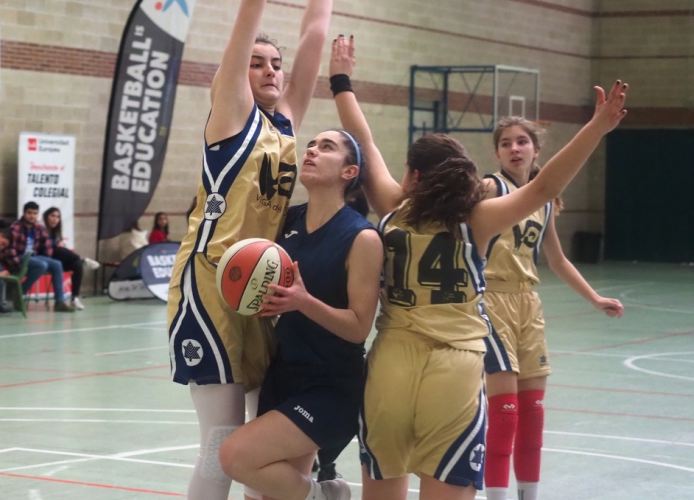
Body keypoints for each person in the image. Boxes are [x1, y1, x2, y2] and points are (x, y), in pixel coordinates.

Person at [330, 37, 628, 500]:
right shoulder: (478, 219)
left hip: (392, 360)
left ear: (413, 175)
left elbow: (363, 140)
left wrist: (341, 81)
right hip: (455, 364)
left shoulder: (392, 207)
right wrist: (596, 128)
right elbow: (545, 186)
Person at [166, 1, 333, 498]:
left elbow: (314, 36)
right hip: (209, 283)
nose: (269, 71)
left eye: (275, 65)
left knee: (263, 447)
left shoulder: (284, 124)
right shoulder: (231, 111)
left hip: (261, 288)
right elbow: (245, 25)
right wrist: (250, 31)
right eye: (256, 63)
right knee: (221, 443)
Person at [219, 120, 384, 500]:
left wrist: (303, 302)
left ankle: (325, 496)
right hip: (284, 371)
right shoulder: (288, 221)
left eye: (326, 147)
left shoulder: (362, 237)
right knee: (261, 493)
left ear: (349, 171)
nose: (312, 150)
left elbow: (359, 328)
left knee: (235, 457)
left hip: (330, 384)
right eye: (311, 144)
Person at [482, 117, 624, 500]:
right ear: (496, 153)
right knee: (506, 413)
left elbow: (558, 259)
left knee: (533, 414)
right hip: (491, 301)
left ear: (535, 149)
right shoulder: (489, 187)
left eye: (522, 141)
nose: (515, 148)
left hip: (528, 304)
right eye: (507, 143)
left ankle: (529, 495)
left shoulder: (543, 201)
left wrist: (595, 298)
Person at [1, 201, 75, 312]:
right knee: (41, 265)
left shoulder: (38, 228)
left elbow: (47, 246)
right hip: (19, 258)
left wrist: (47, 258)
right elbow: (10, 249)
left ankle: (59, 301)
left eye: (35, 213)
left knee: (57, 264)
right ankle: (20, 291)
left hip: (33, 258)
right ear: (24, 213)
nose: (32, 216)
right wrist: (17, 265)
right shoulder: (16, 227)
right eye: (29, 213)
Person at [42, 207, 100, 311]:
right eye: (52, 216)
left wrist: (57, 245)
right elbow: (44, 250)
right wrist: (55, 246)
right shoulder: (41, 231)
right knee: (60, 250)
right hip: (45, 259)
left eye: (57, 217)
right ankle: (83, 260)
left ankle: (75, 298)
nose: (55, 219)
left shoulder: (56, 233)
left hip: (56, 261)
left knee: (77, 265)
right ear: (46, 217)